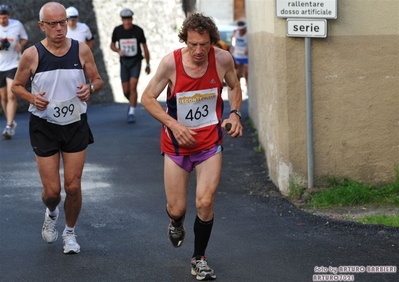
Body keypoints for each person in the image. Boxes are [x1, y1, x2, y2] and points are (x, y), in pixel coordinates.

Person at [141, 13, 243, 281]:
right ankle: (176, 223)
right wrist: (173, 125)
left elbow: (234, 86)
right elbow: (148, 98)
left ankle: (199, 259)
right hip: (176, 147)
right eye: (193, 44)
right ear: (185, 40)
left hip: (209, 144)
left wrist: (235, 114)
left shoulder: (222, 60)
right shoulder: (170, 64)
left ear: (212, 42)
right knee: (177, 208)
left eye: (205, 45)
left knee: (205, 202)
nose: (199, 51)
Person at [11, 2, 104, 254]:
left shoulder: (81, 50)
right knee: (53, 192)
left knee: (73, 186)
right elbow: (17, 86)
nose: (59, 28)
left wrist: (91, 88)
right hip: (44, 126)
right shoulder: (32, 54)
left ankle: (70, 233)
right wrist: (33, 99)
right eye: (52, 24)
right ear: (42, 26)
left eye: (62, 22)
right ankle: (51, 212)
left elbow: (97, 79)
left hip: (75, 124)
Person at [110, 8, 150, 124]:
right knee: (125, 90)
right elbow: (112, 45)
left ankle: (131, 112)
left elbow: (145, 48)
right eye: (124, 20)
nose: (127, 22)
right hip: (124, 62)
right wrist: (118, 50)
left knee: (133, 87)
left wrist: (147, 63)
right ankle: (132, 102)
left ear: (131, 19)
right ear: (122, 20)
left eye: (129, 19)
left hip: (136, 61)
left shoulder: (138, 31)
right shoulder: (117, 30)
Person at [0, 4, 28, 139]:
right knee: (4, 97)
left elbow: (24, 38)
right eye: (0, 18)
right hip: (0, 65)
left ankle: (9, 126)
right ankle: (9, 121)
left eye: (4, 18)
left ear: (9, 16)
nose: (2, 21)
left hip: (13, 63)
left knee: (11, 95)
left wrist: (20, 45)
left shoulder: (17, 25)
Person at [230, 19, 248, 87]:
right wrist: (233, 46)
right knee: (236, 73)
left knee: (246, 74)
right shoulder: (235, 32)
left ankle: (247, 88)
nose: (241, 31)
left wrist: (248, 49)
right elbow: (233, 39)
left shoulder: (247, 34)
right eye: (240, 30)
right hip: (238, 55)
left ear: (244, 28)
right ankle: (237, 87)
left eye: (242, 30)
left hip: (245, 56)